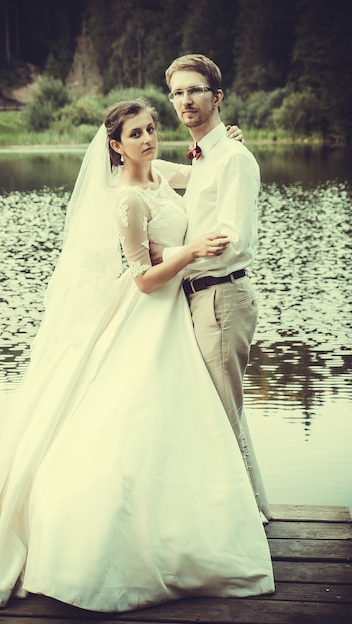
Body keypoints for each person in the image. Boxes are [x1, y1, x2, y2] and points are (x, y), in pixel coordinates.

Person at [0, 99, 274, 612]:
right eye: (135, 134)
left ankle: (183, 520)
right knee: (126, 415)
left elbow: (205, 169)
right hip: (147, 311)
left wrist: (227, 144)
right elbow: (141, 278)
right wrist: (187, 252)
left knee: (177, 419)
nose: (148, 138)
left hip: (175, 312)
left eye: (151, 128)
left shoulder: (162, 172)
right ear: (115, 146)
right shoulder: (126, 200)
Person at [151, 54, 271, 521]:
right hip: (200, 297)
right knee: (222, 412)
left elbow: (230, 238)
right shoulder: (204, 155)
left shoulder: (234, 159)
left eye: (196, 90)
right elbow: (157, 171)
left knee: (224, 414)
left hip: (222, 295)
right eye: (178, 92)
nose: (186, 100)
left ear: (217, 97)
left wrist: (170, 255)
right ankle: (250, 510)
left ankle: (241, 521)